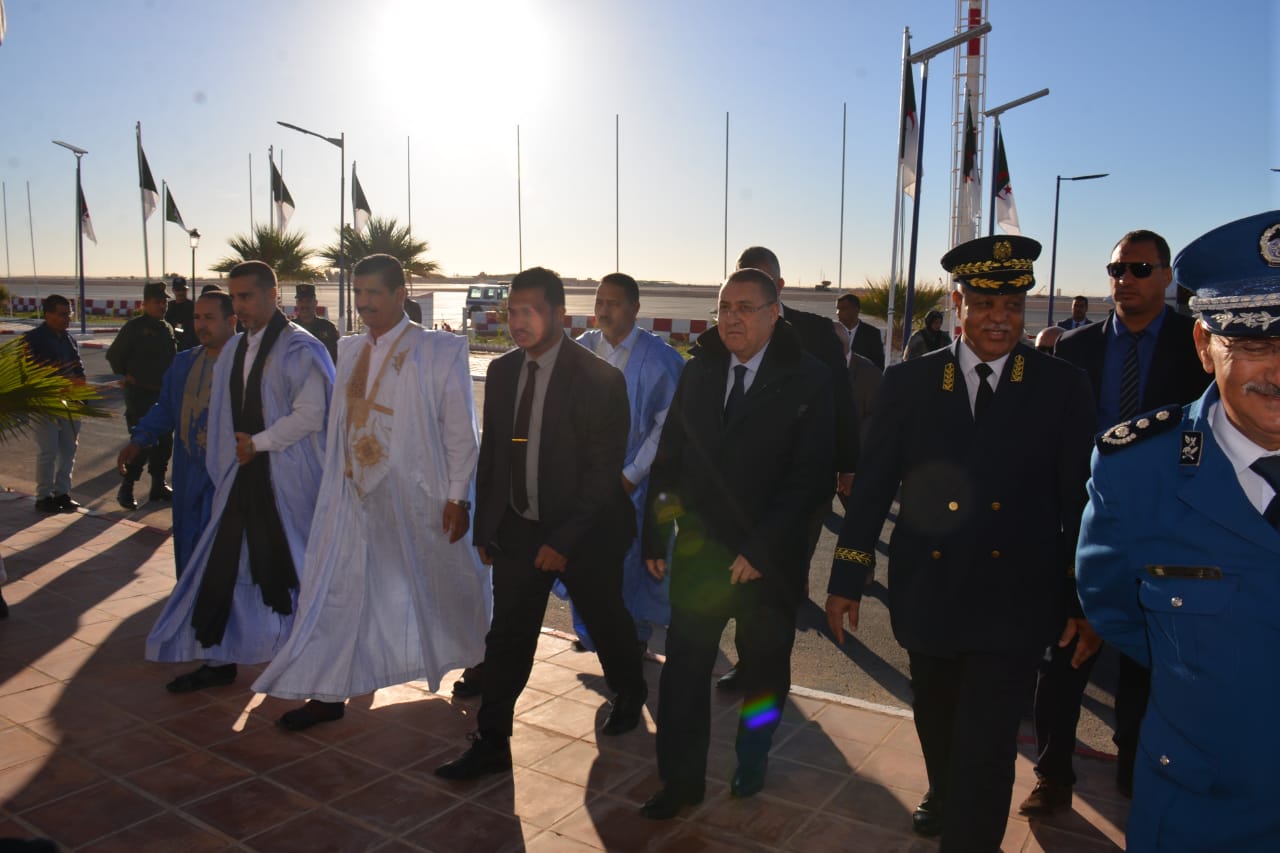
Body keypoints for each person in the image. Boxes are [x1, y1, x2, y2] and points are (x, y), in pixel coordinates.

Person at [825, 235, 1097, 849]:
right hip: (931, 591)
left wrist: (1082, 601)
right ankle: (943, 789)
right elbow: (872, 488)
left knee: (990, 746)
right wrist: (847, 578)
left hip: (1015, 600)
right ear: (957, 302)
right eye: (984, 303)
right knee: (938, 717)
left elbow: (1082, 503)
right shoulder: (910, 382)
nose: (1000, 318)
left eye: (1012, 305)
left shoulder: (1061, 386)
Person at [1076, 210, 1280, 851]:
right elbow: (1117, 612)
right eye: (1252, 344)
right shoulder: (1135, 473)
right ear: (1203, 345)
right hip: (1205, 813)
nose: (1279, 370)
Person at [253, 254, 491, 731]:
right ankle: (327, 691)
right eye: (358, 293)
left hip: (418, 498)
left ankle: (480, 655)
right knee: (337, 588)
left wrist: (457, 496)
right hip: (352, 498)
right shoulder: (348, 349)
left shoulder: (438, 350)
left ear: (401, 294)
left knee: (446, 584)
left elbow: (460, 433)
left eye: (374, 293)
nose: (363, 303)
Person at [434, 267, 648, 781]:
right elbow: (494, 458)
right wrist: (487, 526)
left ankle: (630, 689)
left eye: (529, 311)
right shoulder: (505, 372)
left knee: (605, 620)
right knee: (507, 635)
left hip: (586, 531)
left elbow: (602, 474)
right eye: (511, 311)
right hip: (519, 529)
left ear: (560, 314)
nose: (518, 321)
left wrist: (563, 541)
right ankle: (492, 742)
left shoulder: (600, 379)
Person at [639, 267, 834, 819]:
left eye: (747, 308)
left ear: (775, 313)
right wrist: (658, 531)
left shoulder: (808, 380)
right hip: (701, 558)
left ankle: (753, 755)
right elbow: (669, 461)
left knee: (766, 671)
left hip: (766, 566)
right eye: (725, 307)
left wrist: (763, 550)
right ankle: (680, 781)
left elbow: (811, 479)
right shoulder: (698, 373)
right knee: (682, 673)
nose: (732, 318)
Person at [1029, 229, 1211, 811]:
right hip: (1083, 530)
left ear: (1166, 278)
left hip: (1167, 531)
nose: (1124, 281)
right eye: (1116, 270)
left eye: (1138, 269)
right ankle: (1053, 775)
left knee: (1147, 668)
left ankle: (1136, 773)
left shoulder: (1200, 348)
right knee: (1063, 661)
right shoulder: (1075, 350)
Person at [146, 260, 334, 693]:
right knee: (226, 566)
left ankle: (315, 669)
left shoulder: (300, 349)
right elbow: (221, 419)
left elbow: (313, 415)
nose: (241, 306)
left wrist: (259, 444)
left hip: (287, 485)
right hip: (240, 479)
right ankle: (220, 657)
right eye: (235, 298)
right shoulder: (235, 349)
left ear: (274, 295)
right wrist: (226, 466)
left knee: (295, 571)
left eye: (247, 296)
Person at [716, 246, 856, 693]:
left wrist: (848, 466)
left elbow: (843, 403)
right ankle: (749, 659)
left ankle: (768, 661)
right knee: (742, 579)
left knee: (781, 578)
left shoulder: (816, 333)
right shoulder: (726, 334)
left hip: (802, 483)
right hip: (740, 488)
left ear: (778, 287)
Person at [561, 273, 685, 653]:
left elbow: (667, 426)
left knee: (630, 567)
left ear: (635, 308)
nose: (603, 311)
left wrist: (632, 475)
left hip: (634, 483)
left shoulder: (660, 360)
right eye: (599, 302)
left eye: (613, 304)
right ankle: (593, 632)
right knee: (584, 560)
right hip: (586, 484)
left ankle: (632, 638)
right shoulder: (580, 351)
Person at [117, 289, 237, 578]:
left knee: (225, 555)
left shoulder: (249, 362)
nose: (200, 325)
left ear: (232, 321)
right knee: (188, 548)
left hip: (229, 476)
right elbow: (167, 407)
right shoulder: (184, 362)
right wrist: (139, 438)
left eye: (209, 317)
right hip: (188, 473)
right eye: (197, 317)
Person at [106, 282, 177, 510]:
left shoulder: (167, 328)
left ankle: (158, 485)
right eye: (157, 302)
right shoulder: (134, 327)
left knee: (165, 442)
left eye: (164, 302)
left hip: (162, 394)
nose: (162, 306)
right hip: (140, 394)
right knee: (142, 442)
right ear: (144, 303)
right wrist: (126, 375)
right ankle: (126, 487)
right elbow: (114, 355)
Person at [22, 295, 86, 514]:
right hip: (44, 405)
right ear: (47, 314)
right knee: (48, 450)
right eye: (60, 314)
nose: (65, 319)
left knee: (69, 450)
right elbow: (30, 373)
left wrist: (81, 391)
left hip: (70, 403)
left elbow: (78, 368)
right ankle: (44, 496)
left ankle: (62, 492)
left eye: (68, 314)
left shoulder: (69, 339)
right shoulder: (33, 339)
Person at [835, 291, 886, 370]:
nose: (838, 313)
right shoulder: (831, 331)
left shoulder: (872, 334)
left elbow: (878, 365)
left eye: (843, 309)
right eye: (837, 309)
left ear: (856, 310)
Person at [294, 283, 339, 365]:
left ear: (315, 303)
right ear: (297, 303)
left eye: (308, 301)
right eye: (300, 301)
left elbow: (337, 358)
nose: (304, 305)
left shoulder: (328, 327)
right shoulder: (290, 328)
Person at [165, 275, 198, 350]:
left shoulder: (194, 307)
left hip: (189, 345)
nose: (181, 292)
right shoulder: (168, 307)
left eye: (183, 289)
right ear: (173, 290)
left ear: (187, 290)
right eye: (178, 290)